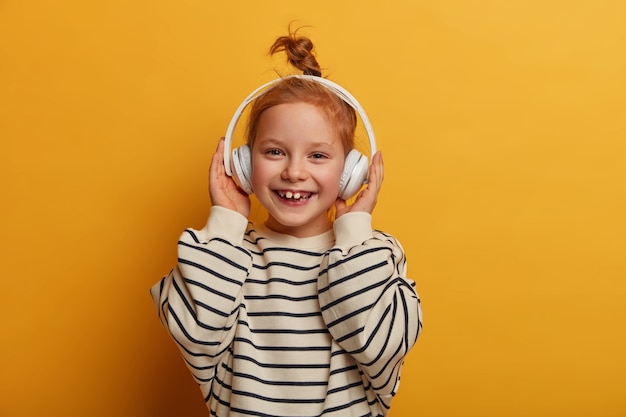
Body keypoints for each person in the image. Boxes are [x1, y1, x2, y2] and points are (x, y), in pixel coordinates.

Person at [151, 29, 423, 417]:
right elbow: (196, 335)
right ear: (243, 164)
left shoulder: (375, 255)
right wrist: (226, 222)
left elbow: (379, 347)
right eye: (275, 151)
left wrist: (355, 235)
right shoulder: (225, 255)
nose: (294, 172)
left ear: (351, 171)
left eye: (318, 156)